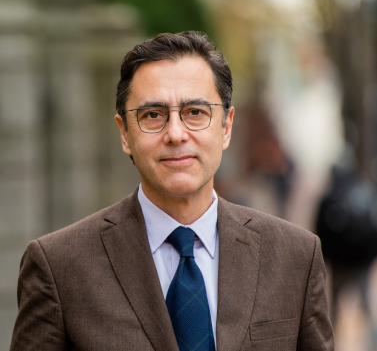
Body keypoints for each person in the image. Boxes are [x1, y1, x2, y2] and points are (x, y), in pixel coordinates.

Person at [10, 31, 334, 351]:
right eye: (153, 115)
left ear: (226, 127)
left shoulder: (295, 258)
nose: (176, 134)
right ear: (124, 134)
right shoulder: (60, 268)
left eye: (195, 112)